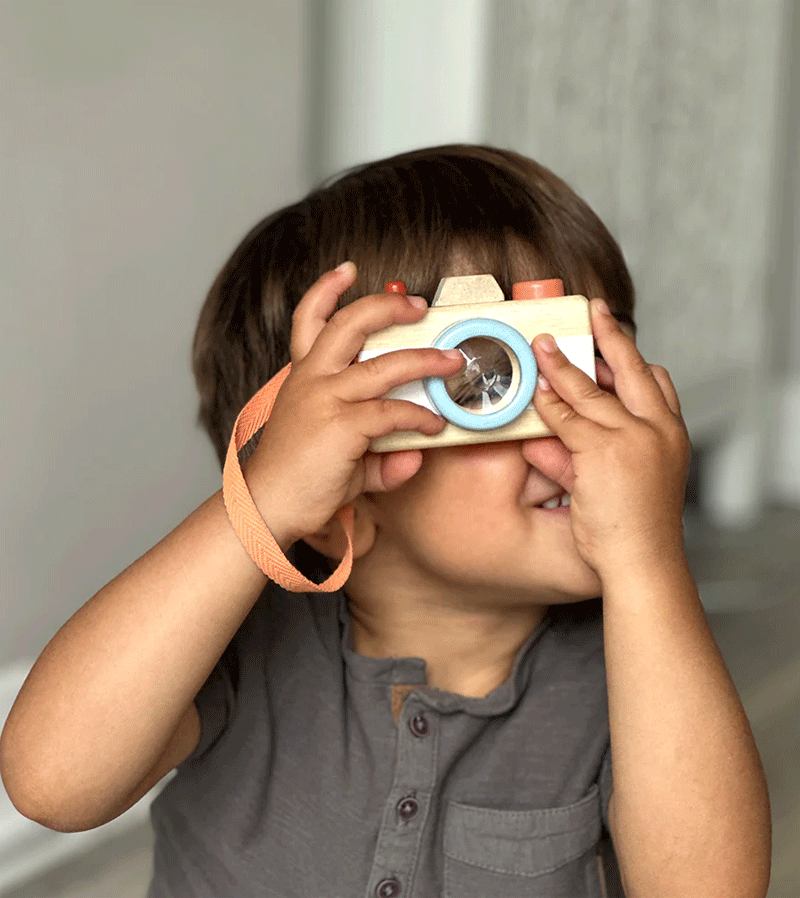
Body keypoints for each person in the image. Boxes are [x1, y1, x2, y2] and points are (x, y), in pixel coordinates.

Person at [0, 145, 771, 898]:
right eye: (486, 379)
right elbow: (51, 784)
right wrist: (260, 507)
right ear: (345, 480)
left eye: (590, 363)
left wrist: (647, 561)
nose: (572, 424)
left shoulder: (640, 662)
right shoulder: (239, 642)